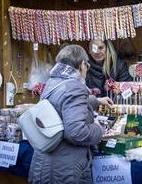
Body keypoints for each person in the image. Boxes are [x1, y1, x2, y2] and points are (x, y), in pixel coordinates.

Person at [28, 45, 113, 184]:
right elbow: (76, 132)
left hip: (45, 163)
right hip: (65, 169)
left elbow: (62, 105)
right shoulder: (75, 87)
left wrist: (95, 101)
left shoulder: (53, 82)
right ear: (81, 65)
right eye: (87, 65)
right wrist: (99, 129)